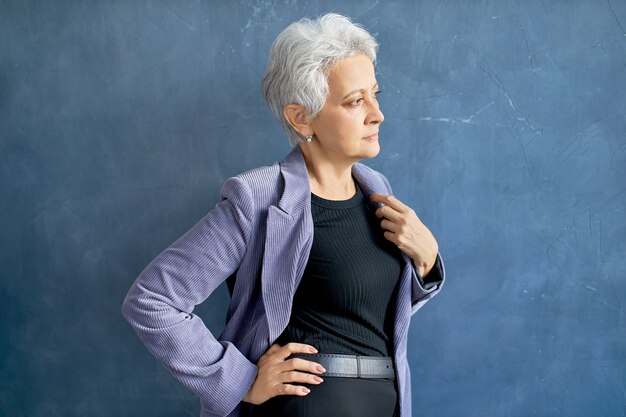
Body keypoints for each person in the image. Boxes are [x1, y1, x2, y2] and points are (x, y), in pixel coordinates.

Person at [122, 12, 445, 417]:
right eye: (355, 101)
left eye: (375, 94)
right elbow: (152, 299)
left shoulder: (377, 189)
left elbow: (367, 311)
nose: (376, 113)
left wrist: (427, 262)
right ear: (301, 117)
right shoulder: (257, 198)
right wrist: (239, 381)